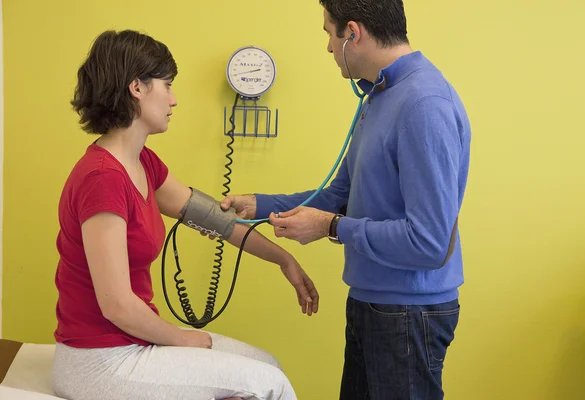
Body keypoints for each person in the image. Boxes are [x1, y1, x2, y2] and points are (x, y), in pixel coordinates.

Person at [220, 1, 472, 399]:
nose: (327, 47)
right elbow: (341, 195)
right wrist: (260, 204)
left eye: (328, 33)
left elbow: (430, 242)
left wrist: (329, 227)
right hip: (371, 303)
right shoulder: (379, 97)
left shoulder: (425, 104)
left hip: (407, 313)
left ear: (352, 33)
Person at [51, 29, 319, 400]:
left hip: (133, 344)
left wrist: (282, 258)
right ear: (137, 87)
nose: (174, 100)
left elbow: (217, 221)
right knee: (270, 387)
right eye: (167, 86)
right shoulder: (103, 178)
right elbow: (117, 305)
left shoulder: (143, 163)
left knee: (267, 366)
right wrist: (182, 339)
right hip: (99, 360)